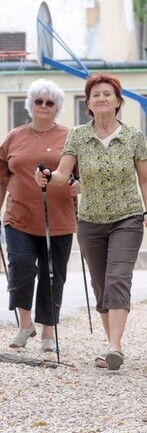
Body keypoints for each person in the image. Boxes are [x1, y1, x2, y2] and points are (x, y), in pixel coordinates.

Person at [35, 73, 147, 370]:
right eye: (95, 95)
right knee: (101, 285)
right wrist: (49, 177)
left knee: (118, 278)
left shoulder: (133, 136)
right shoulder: (78, 135)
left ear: (118, 101)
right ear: (88, 103)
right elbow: (64, 175)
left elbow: (146, 180)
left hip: (127, 218)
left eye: (107, 94)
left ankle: (114, 348)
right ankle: (111, 344)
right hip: (90, 220)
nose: (101, 98)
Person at [1, 79, 80, 352]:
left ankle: (48, 331)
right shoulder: (14, 136)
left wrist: (77, 185)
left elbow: (82, 176)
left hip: (58, 219)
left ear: (57, 107)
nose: (44, 106)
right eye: (39, 101)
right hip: (19, 216)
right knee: (21, 266)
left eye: (50, 102)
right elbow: (1, 177)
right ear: (30, 105)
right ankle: (25, 325)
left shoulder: (70, 137)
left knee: (52, 275)